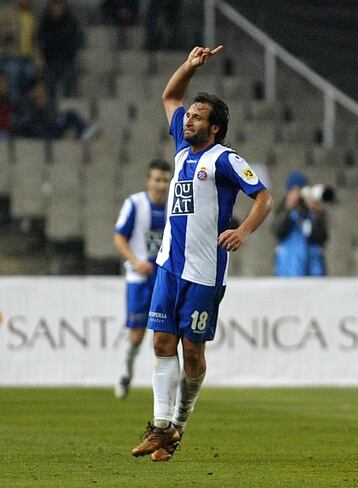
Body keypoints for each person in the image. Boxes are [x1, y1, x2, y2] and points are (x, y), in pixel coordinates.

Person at [131, 45, 273, 461]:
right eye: (189, 116)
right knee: (161, 341)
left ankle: (178, 425)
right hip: (169, 265)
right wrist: (189, 66)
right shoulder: (181, 148)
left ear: (213, 129)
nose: (187, 119)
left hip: (205, 270)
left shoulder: (225, 160)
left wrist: (243, 230)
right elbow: (169, 97)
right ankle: (159, 428)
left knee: (192, 350)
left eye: (196, 117)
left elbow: (263, 196)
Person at [113, 159, 171, 399]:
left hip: (165, 278)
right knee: (137, 334)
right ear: (148, 180)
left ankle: (167, 385)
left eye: (165, 180)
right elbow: (119, 237)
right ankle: (125, 374)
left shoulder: (175, 205)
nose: (161, 185)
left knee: (167, 333)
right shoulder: (135, 204)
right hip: (139, 278)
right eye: (157, 179)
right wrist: (136, 262)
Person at [272, 170, 329, 277]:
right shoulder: (282, 210)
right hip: (287, 269)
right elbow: (277, 231)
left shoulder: (312, 211)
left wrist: (316, 215)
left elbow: (322, 237)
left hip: (313, 269)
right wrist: (288, 208)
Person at [15, 81, 100, 140]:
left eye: (42, 90)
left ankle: (84, 132)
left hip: (51, 130)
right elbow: (25, 122)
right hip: (37, 134)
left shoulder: (47, 101)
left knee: (70, 113)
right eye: (38, 90)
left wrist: (47, 110)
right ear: (32, 91)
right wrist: (37, 109)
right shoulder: (25, 103)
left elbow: (53, 118)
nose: (41, 92)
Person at [37, 0, 82, 100]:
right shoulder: (45, 22)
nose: (57, 9)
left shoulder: (71, 21)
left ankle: (67, 109)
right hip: (51, 61)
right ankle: (50, 112)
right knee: (49, 89)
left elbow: (75, 39)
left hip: (67, 60)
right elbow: (42, 39)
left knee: (68, 87)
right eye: (54, 6)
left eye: (59, 6)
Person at [0, 0, 37, 97]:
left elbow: (35, 38)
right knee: (13, 85)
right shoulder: (8, 13)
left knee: (27, 86)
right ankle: (13, 108)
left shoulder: (32, 16)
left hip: (28, 57)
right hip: (12, 56)